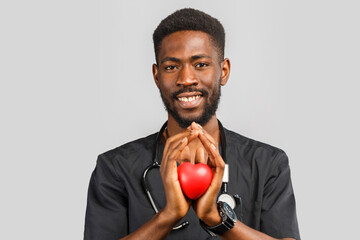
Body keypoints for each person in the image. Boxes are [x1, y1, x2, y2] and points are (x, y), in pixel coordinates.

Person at [84, 8, 300, 240]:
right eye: (171, 67)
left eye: (201, 64)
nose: (186, 79)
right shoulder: (115, 169)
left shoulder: (267, 164)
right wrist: (168, 215)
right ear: (157, 76)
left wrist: (217, 219)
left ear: (223, 71)